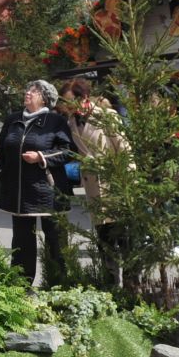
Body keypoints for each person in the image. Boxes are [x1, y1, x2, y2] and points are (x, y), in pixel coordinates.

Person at [0, 80, 73, 286]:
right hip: (20, 192)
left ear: (45, 98)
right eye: (28, 88)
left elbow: (68, 151)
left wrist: (41, 156)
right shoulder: (13, 120)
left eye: (34, 90)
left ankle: (59, 283)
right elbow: (0, 151)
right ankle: (21, 285)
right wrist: (2, 174)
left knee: (55, 241)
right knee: (21, 241)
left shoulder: (55, 121)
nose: (28, 92)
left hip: (49, 190)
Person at [62, 77, 126, 288]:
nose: (69, 107)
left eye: (71, 102)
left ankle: (130, 285)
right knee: (103, 239)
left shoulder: (107, 116)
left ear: (85, 98)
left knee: (123, 237)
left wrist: (128, 183)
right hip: (92, 185)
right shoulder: (72, 121)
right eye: (66, 103)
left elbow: (125, 150)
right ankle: (111, 283)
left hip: (114, 182)